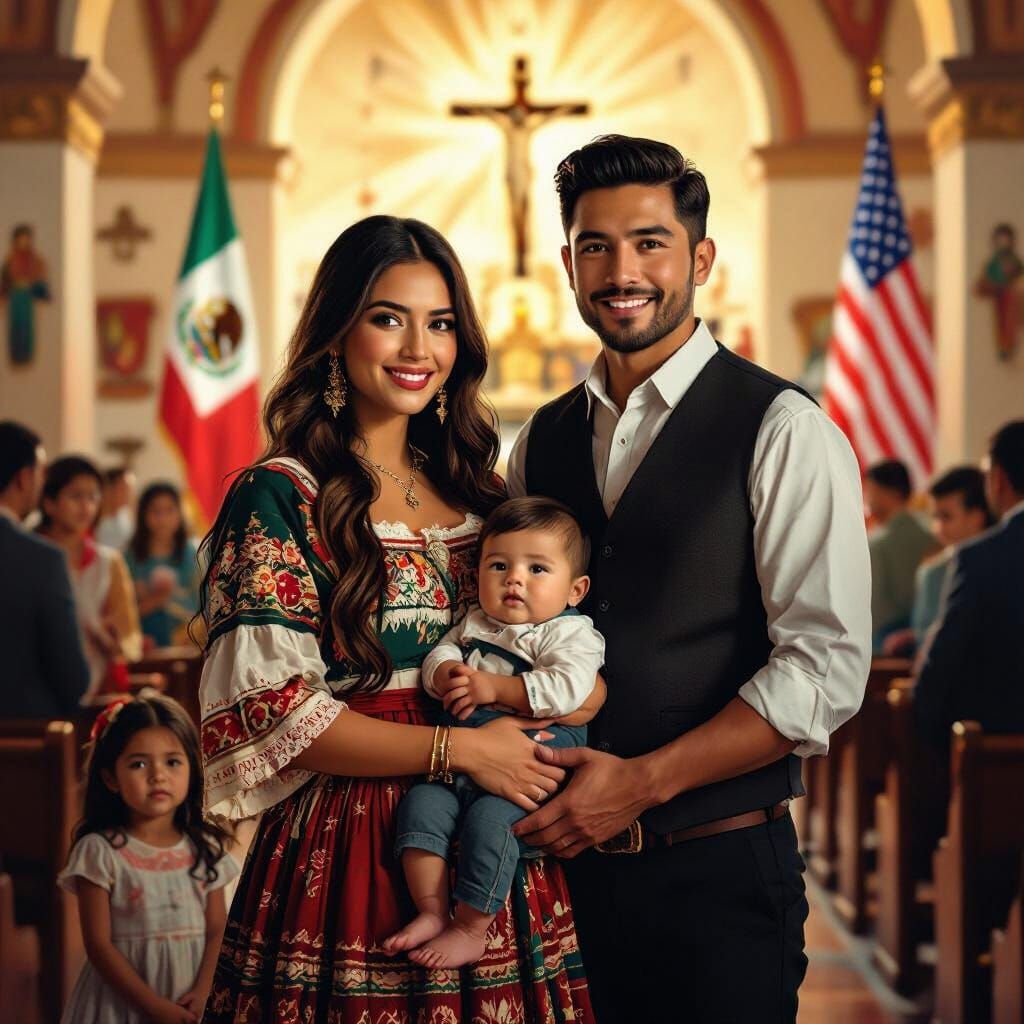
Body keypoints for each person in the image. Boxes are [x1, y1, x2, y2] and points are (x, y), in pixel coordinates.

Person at [505, 135, 872, 1022]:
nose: (621, 269)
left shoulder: (783, 426)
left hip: (718, 881)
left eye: (649, 243)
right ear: (567, 262)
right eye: (595, 245)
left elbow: (824, 667)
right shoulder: (539, 442)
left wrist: (643, 781)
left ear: (700, 258)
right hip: (558, 881)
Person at [198, 216, 600, 1023]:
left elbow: (556, 653)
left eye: (441, 322)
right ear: (338, 332)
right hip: (349, 836)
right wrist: (463, 748)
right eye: (389, 317)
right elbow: (275, 711)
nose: (419, 347)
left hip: (493, 826)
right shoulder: (280, 494)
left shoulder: (483, 495)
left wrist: (565, 707)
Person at [385, 496, 605, 968]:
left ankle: (470, 927)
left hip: (531, 760)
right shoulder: (475, 623)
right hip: (459, 760)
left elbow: (569, 689)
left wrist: (495, 688)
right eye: (499, 565)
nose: (515, 579)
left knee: (491, 824)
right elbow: (440, 654)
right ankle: (429, 909)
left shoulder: (570, 633)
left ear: (576, 589)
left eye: (537, 569)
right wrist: (443, 674)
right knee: (422, 807)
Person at [58, 693, 238, 1023]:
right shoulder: (99, 852)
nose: (157, 775)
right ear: (110, 777)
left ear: (192, 769)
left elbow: (217, 930)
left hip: (190, 996)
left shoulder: (205, 849)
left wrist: (203, 991)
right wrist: (153, 1007)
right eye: (138, 763)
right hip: (122, 1003)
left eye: (172, 761)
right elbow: (98, 946)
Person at [913, 421, 1024, 750]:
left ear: (998, 479)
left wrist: (924, 741)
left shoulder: (979, 559)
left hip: (995, 753)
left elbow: (942, 666)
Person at [0, 420, 90, 716]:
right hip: (24, 742)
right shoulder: (42, 560)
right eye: (41, 473)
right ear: (24, 478)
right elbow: (73, 679)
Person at [38, 456, 143, 699]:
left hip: (97, 687)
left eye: (93, 497)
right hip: (39, 689)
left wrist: (110, 638)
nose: (86, 507)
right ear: (49, 503)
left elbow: (130, 638)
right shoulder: (32, 558)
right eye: (76, 496)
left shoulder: (109, 562)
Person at [882, 466, 994, 656]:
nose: (938, 528)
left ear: (977, 517)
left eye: (946, 517)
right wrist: (914, 636)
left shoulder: (997, 567)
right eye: (936, 517)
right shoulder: (933, 570)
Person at [864, 459, 940, 652]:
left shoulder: (878, 543)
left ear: (890, 493)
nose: (866, 499)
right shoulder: (931, 537)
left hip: (883, 647)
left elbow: (874, 610)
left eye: (870, 491)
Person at [125, 483, 200, 648]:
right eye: (156, 511)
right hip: (144, 645)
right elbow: (122, 613)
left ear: (180, 514)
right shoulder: (130, 556)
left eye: (170, 510)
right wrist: (153, 601)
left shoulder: (193, 552)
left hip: (188, 643)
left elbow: (206, 604)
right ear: (143, 515)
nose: (163, 519)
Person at [96, 467, 137, 552]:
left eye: (131, 489)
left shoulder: (130, 518)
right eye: (124, 488)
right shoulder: (93, 519)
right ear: (109, 488)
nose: (129, 493)